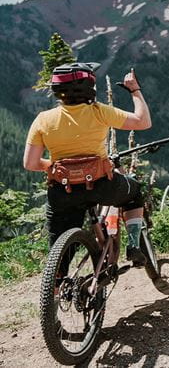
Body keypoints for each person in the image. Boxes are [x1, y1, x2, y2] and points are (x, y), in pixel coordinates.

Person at [23, 63, 152, 264]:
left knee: (60, 247)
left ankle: (57, 283)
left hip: (63, 190)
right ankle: (134, 245)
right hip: (102, 186)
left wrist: (56, 166)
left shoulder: (43, 120)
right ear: (89, 87)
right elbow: (143, 122)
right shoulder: (99, 111)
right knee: (134, 192)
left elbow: (30, 163)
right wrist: (134, 90)